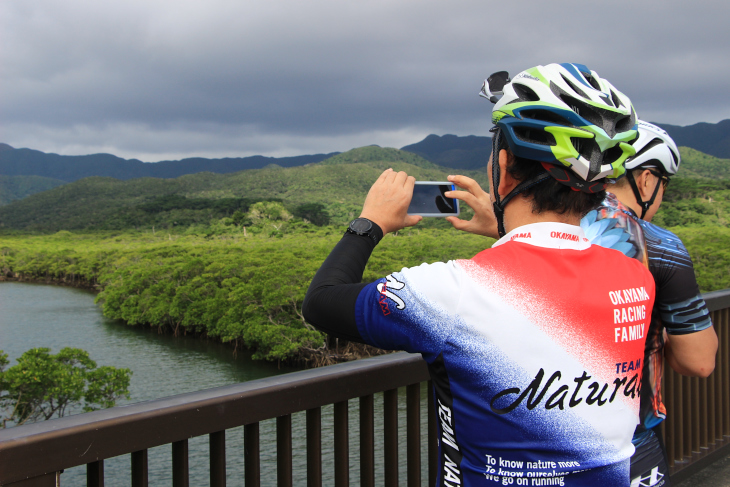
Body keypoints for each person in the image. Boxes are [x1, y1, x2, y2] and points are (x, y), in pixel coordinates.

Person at [303, 63, 655, 486]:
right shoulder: (635, 278)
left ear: (503, 167)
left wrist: (370, 222)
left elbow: (322, 301)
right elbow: (556, 267)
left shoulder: (456, 292)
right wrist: (507, 226)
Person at [579, 121, 718, 487]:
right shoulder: (660, 245)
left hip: (538, 438)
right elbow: (699, 362)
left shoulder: (548, 226)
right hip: (630, 441)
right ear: (645, 180)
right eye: (663, 184)